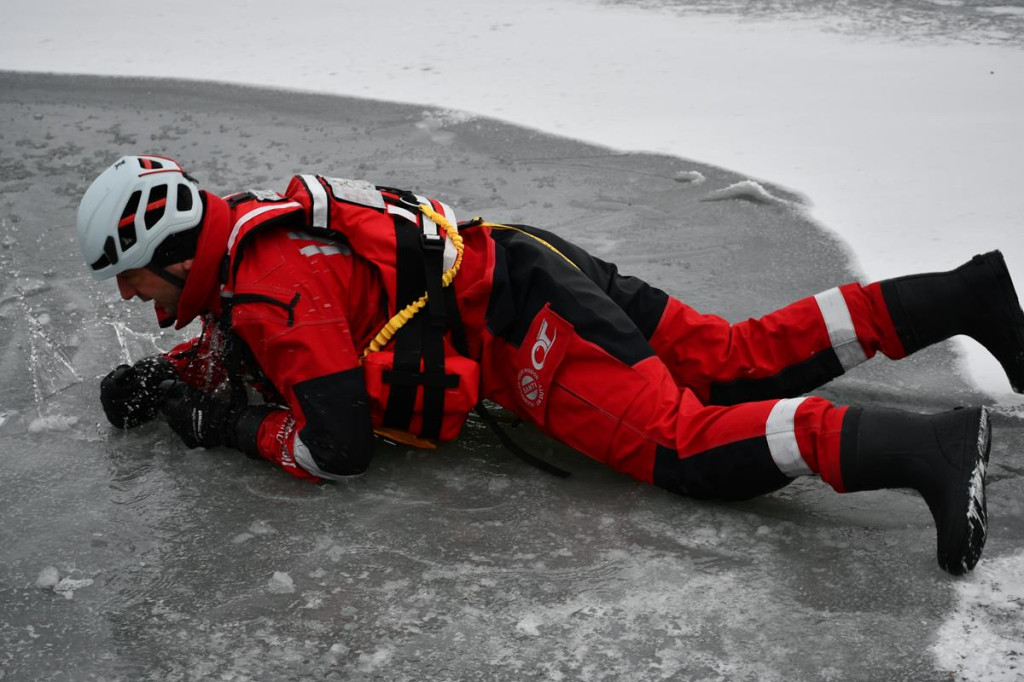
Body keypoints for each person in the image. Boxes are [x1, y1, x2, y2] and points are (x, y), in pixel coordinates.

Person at [77, 154, 1021, 576]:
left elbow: (337, 447)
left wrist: (220, 423)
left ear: (165, 241)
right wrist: (182, 374)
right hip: (523, 258)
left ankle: (929, 447)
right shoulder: (255, 244)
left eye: (129, 278)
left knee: (686, 445)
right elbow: (310, 337)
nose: (129, 302)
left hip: (524, 327)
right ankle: (969, 295)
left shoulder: (269, 282)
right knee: (732, 362)